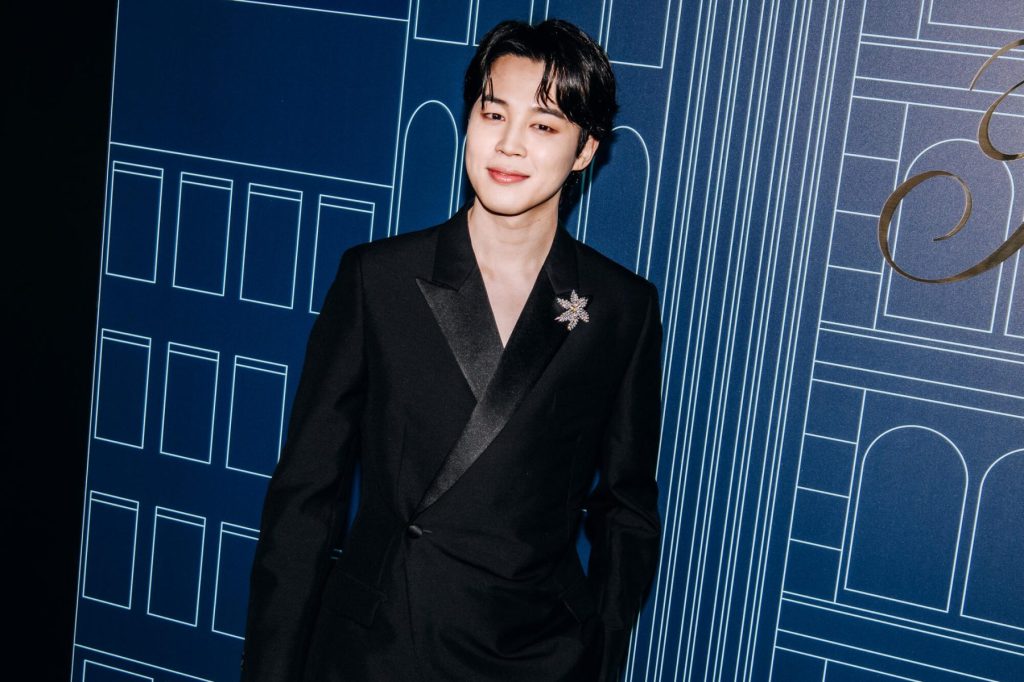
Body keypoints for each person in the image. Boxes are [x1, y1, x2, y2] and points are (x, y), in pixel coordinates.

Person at [241, 19, 663, 682]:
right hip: (379, 649)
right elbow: (305, 499)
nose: (509, 144)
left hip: (536, 656)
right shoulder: (379, 279)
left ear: (585, 150)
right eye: (494, 114)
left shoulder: (620, 307)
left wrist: (599, 655)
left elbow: (627, 510)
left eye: (544, 125)